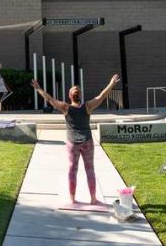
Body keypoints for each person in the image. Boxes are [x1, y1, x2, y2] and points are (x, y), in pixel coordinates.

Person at [32, 74, 121, 205]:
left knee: (72, 170)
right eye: (76, 89)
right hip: (87, 142)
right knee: (89, 170)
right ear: (79, 96)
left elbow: (50, 99)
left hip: (72, 143)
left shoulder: (65, 107)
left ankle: (73, 199)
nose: (76, 90)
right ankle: (93, 199)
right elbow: (102, 96)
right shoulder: (87, 106)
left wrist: (38, 88)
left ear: (70, 96)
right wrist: (112, 83)